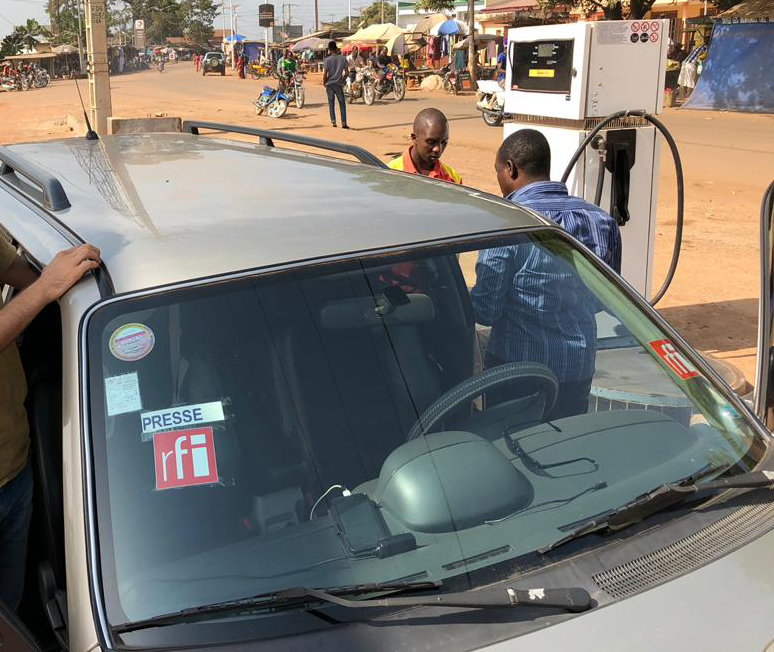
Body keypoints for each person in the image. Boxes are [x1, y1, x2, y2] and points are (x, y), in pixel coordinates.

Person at [469, 129, 621, 420]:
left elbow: (485, 310)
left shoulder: (507, 224)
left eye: (498, 171)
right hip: (578, 366)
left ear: (510, 168)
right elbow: (606, 297)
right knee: (564, 450)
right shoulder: (600, 220)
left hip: (518, 373)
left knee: (514, 452)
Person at [0, 241, 101, 611]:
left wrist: (58, 280)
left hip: (16, 462)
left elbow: (26, 277)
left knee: (11, 608)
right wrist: (46, 289)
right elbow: (42, 287)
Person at [387, 108, 462, 184]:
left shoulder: (453, 179)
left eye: (443, 142)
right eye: (431, 142)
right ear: (414, 138)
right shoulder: (390, 174)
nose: (438, 149)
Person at [323, 40, 349, 129]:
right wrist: (342, 81)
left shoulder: (327, 60)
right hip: (338, 84)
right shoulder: (343, 58)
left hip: (329, 84)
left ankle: (333, 122)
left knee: (331, 103)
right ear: (336, 49)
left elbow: (325, 74)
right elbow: (347, 73)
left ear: (329, 50)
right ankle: (344, 123)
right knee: (342, 103)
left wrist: (324, 83)